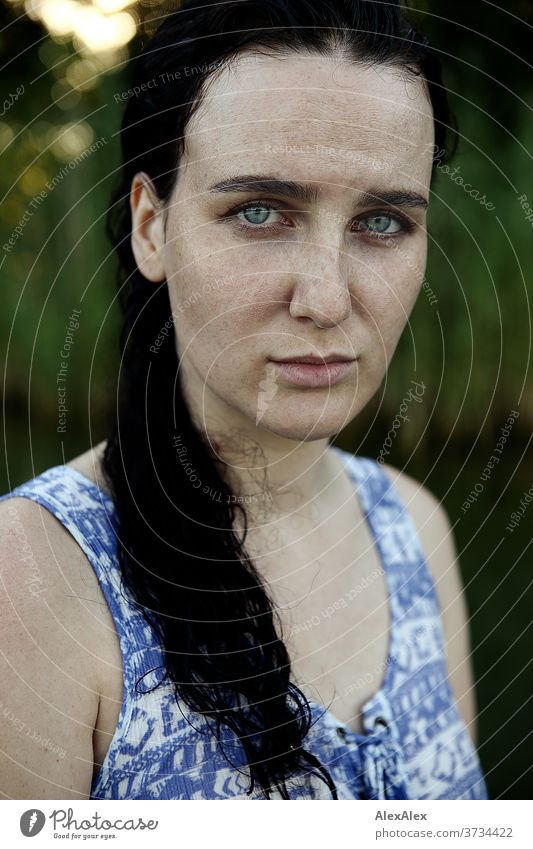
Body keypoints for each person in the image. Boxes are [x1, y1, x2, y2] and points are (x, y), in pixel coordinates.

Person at [0, 0, 489, 800]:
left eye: (381, 220)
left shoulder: (411, 530)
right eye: (258, 212)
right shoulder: (34, 578)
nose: (326, 299)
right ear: (151, 228)